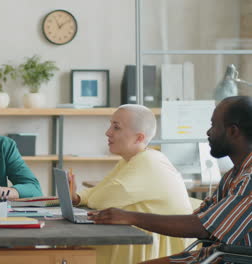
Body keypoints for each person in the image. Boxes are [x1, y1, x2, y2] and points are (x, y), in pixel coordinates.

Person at [87, 96, 252, 264]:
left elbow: (202, 227)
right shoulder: (234, 175)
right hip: (210, 256)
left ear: (233, 131)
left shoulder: (249, 179)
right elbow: (202, 216)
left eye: (213, 125)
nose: (208, 132)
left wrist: (131, 217)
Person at [68, 104, 195, 264]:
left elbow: (101, 200)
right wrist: (77, 197)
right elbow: (100, 190)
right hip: (143, 241)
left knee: (72, 251)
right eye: (110, 125)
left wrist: (87, 197)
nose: (108, 132)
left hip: (159, 250)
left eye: (116, 127)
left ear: (139, 138)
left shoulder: (148, 162)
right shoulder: (131, 160)